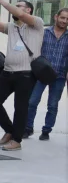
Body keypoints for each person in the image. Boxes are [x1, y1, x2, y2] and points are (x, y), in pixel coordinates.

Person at [0, 0, 44, 151]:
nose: (16, 8)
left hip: (26, 74)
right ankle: (10, 130)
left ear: (28, 10)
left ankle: (17, 140)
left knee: (20, 108)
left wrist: (1, 0)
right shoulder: (11, 27)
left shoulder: (37, 23)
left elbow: (20, 14)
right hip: (7, 72)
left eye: (19, 5)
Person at [25, 7, 68, 140]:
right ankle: (28, 128)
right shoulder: (44, 32)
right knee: (32, 102)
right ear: (56, 17)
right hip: (41, 74)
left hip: (59, 75)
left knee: (53, 105)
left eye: (67, 19)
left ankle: (46, 131)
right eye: (62, 17)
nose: (64, 21)